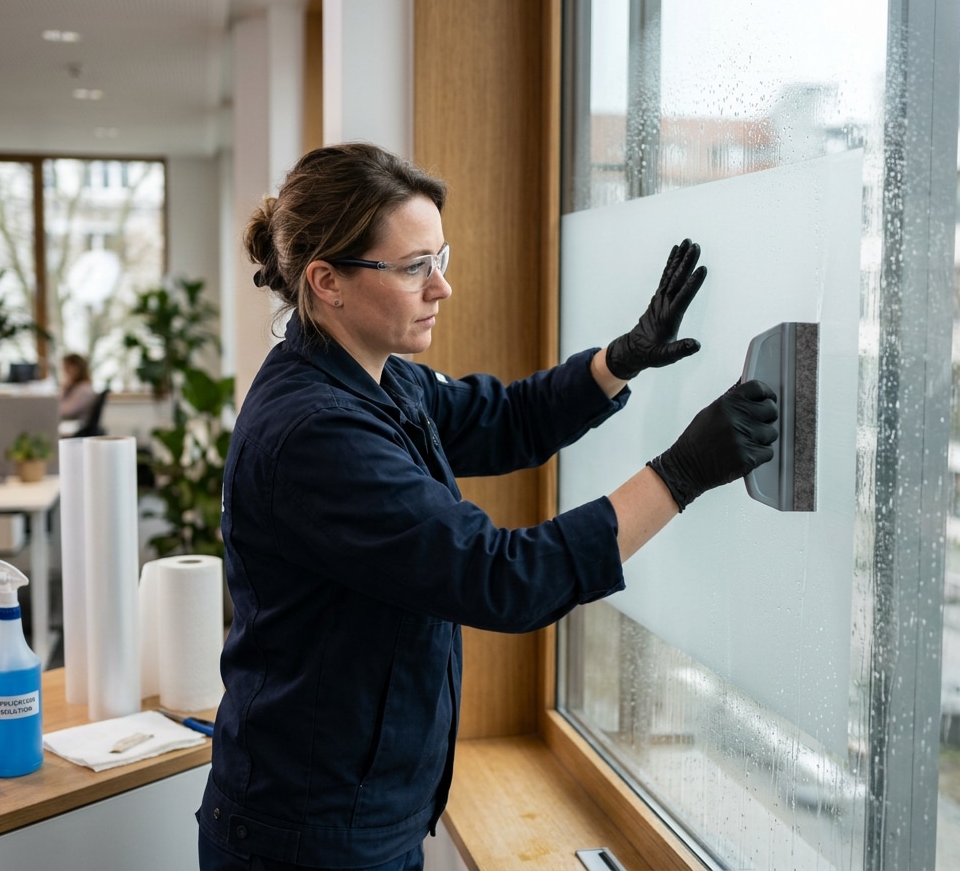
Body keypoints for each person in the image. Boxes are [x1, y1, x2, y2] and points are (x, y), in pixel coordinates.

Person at [196, 142, 778, 871]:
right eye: (414, 268)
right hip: (308, 837)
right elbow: (501, 578)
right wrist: (680, 475)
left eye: (441, 257)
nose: (442, 287)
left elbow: (503, 419)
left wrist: (619, 359)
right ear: (327, 281)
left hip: (356, 814)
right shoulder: (316, 433)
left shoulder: (378, 379)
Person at [58, 353, 97, 427]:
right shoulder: (76, 387)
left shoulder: (84, 389)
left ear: (76, 368)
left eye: (67, 368)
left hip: (79, 428)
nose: (65, 373)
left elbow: (66, 411)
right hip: (72, 425)